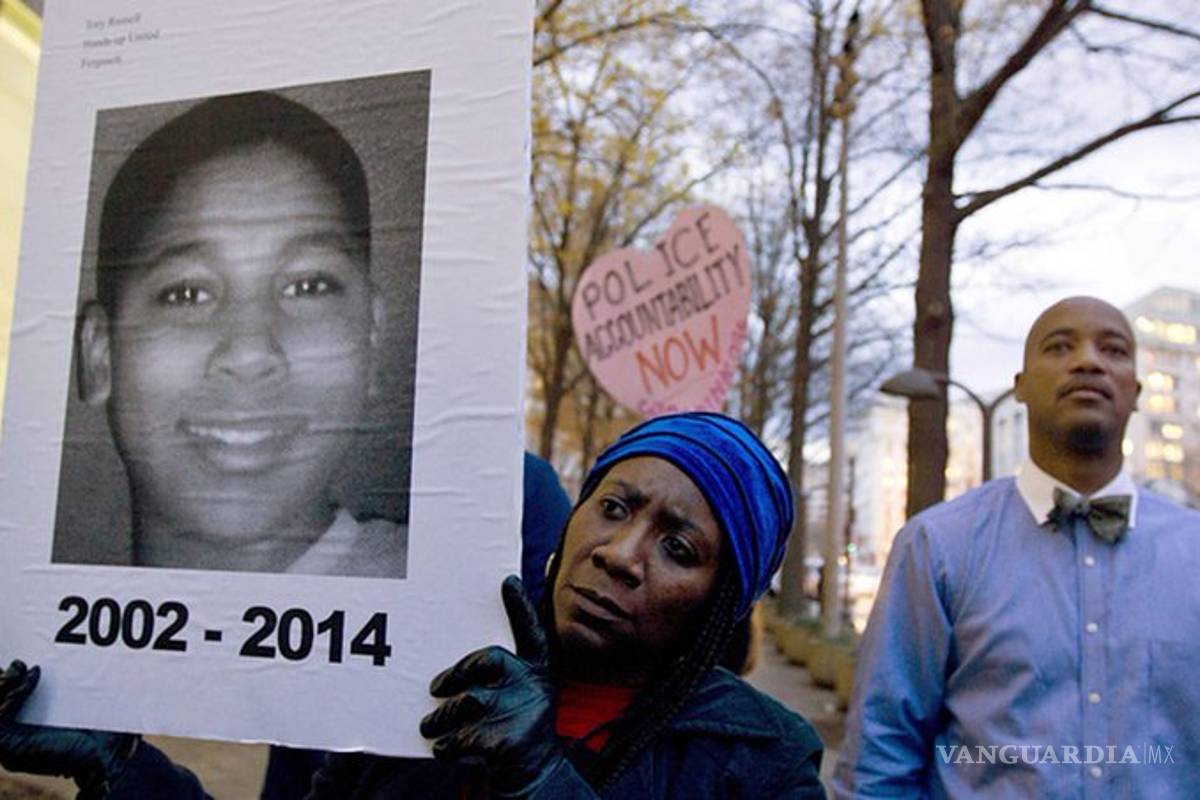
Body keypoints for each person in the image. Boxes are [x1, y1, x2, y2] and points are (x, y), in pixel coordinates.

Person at [1, 412, 825, 798]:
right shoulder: (434, 673)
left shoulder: (762, 761)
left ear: (722, 602)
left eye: (678, 548)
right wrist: (115, 760)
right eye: (614, 507)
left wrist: (541, 779)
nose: (621, 554)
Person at [833, 296, 1200, 797]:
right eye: (1060, 346)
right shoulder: (938, 547)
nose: (1088, 360)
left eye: (1113, 349)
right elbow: (880, 757)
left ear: (1136, 389)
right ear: (1020, 387)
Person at [66, 89, 406, 576]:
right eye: (186, 293)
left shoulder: (482, 585)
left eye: (308, 286)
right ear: (100, 355)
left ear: (371, 339)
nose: (250, 352)